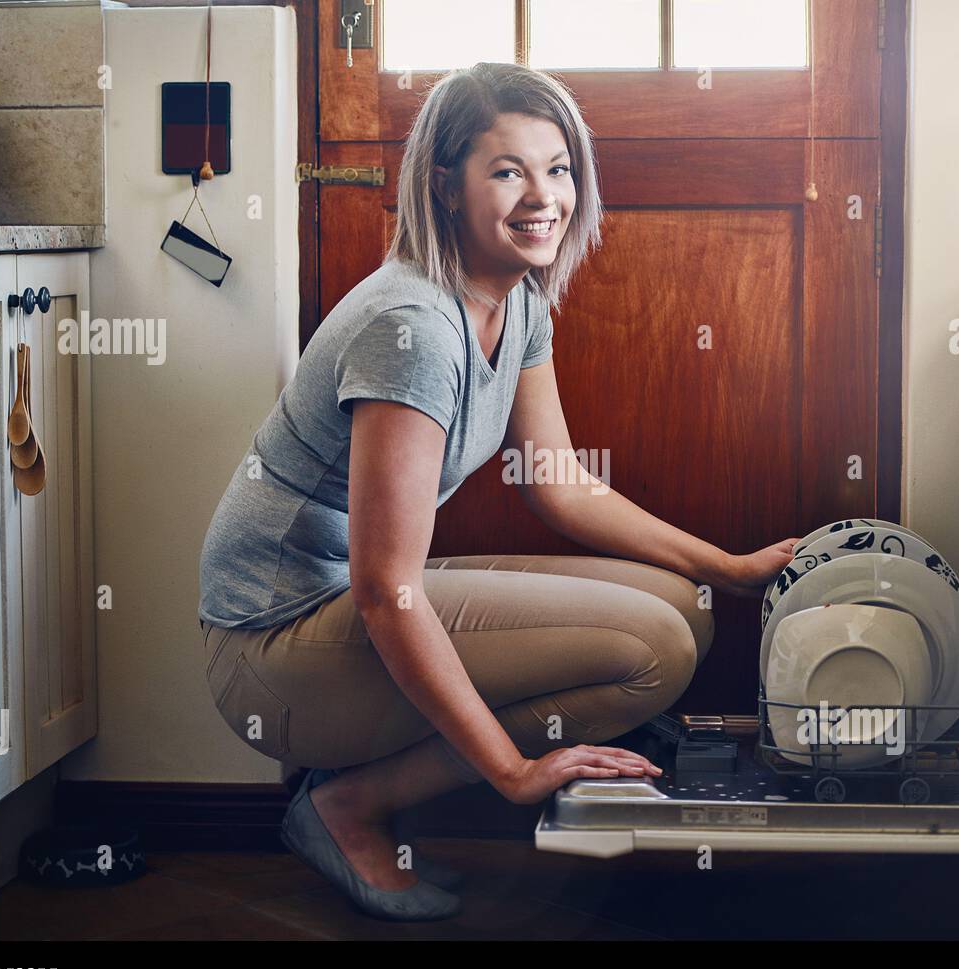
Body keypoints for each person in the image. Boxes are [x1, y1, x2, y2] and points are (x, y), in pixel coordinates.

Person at [197, 62, 799, 921]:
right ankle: (350, 803)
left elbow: (557, 483)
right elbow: (383, 590)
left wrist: (730, 567)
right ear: (444, 186)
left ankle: (363, 785)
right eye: (507, 170)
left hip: (346, 602)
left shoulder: (515, 298)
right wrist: (514, 774)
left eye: (557, 168)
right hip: (272, 646)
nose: (542, 197)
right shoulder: (412, 330)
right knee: (653, 647)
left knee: (688, 605)